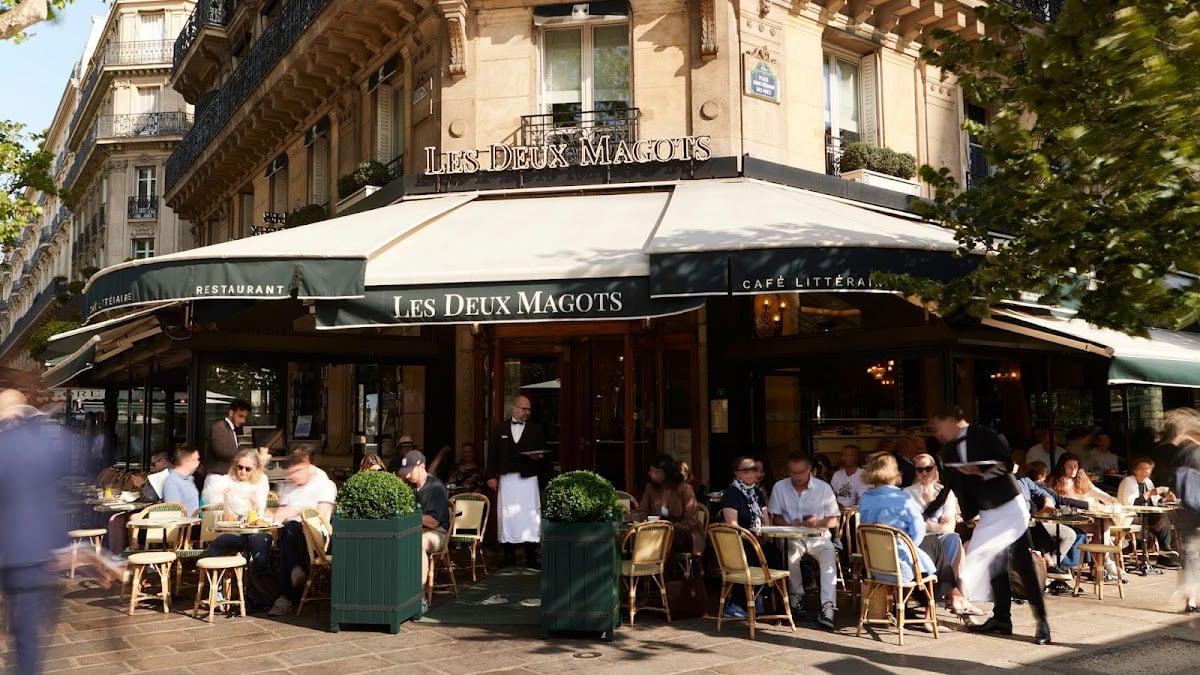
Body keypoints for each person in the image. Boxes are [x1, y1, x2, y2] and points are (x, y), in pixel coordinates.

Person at [0, 390, 112, 675]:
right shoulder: (42, 445)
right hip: (35, 552)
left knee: (21, 628)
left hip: (11, 549)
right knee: (28, 636)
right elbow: (54, 488)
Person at [926, 405, 1051, 645]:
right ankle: (1002, 619)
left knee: (1023, 565)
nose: (937, 433)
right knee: (994, 566)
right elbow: (949, 487)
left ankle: (1042, 623)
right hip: (987, 512)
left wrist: (980, 470)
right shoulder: (950, 448)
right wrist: (924, 514)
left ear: (952, 421)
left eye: (938, 427)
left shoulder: (986, 435)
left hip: (1009, 507)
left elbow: (1007, 464)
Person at [859, 453, 974, 625]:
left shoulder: (866, 498)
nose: (924, 473)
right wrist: (911, 543)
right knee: (934, 543)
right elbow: (918, 532)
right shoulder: (902, 498)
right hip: (901, 565)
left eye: (928, 468)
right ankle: (949, 600)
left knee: (945, 541)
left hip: (875, 565)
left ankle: (953, 596)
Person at [767, 452, 840, 629]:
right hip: (793, 536)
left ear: (809, 470)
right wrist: (788, 524)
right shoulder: (780, 487)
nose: (796, 477)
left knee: (828, 558)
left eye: (800, 472)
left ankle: (827, 606)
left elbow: (834, 520)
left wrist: (818, 522)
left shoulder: (823, 488)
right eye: (792, 472)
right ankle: (795, 597)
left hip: (819, 535)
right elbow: (775, 516)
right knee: (790, 555)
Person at [268, 451, 337, 616]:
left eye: (295, 472)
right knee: (287, 534)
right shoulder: (289, 484)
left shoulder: (323, 483)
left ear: (307, 466)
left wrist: (295, 513)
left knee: (290, 531)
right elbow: (279, 514)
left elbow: (320, 514)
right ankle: (296, 569)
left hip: (317, 536)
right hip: (291, 533)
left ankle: (286, 596)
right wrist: (289, 514)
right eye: (289, 473)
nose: (291, 477)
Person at [487, 395, 547, 569]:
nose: (527, 412)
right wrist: (491, 475)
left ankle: (531, 556)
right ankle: (509, 555)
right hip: (507, 478)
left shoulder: (536, 429)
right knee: (508, 515)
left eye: (529, 409)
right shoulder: (500, 428)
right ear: (514, 408)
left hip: (529, 478)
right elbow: (492, 453)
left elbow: (544, 455)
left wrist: (538, 457)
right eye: (524, 409)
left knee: (530, 516)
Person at [397, 449, 450, 611]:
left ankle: (420, 598)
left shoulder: (436, 487)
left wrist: (409, 514)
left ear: (421, 467)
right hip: (413, 531)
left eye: (409, 471)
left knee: (417, 543)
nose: (406, 476)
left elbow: (434, 522)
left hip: (437, 533)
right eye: (404, 472)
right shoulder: (408, 487)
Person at [205, 448, 272, 572]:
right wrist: (220, 504)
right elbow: (209, 496)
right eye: (239, 467)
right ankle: (217, 588)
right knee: (214, 550)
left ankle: (256, 586)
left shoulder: (261, 480)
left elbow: (260, 507)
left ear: (256, 468)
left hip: (255, 528)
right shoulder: (227, 480)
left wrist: (255, 504)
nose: (242, 471)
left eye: (248, 469)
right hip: (233, 529)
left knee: (261, 550)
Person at [719, 456, 770, 619]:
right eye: (746, 470)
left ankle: (759, 597)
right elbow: (732, 525)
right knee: (752, 556)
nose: (751, 473)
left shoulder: (757, 492)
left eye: (754, 469)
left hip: (756, 539)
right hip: (738, 542)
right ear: (736, 473)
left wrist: (765, 534)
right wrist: (752, 538)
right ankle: (736, 603)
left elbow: (765, 518)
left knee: (776, 554)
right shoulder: (731, 494)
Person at [634, 454, 705, 556]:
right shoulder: (650, 488)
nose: (651, 474)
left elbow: (691, 521)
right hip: (657, 530)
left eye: (656, 471)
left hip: (684, 533)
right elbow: (642, 511)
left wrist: (668, 527)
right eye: (651, 470)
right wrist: (632, 518)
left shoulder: (684, 489)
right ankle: (646, 565)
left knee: (664, 537)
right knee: (641, 536)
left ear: (666, 474)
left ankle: (665, 568)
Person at [1117, 457, 1180, 569]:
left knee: (1162, 515)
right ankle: (1165, 553)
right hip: (1129, 516)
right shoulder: (1128, 481)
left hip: (1146, 516)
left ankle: (1164, 554)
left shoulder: (1148, 482)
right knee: (1160, 517)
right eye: (1141, 469)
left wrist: (1166, 499)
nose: (1144, 471)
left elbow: (1153, 502)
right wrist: (1150, 493)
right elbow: (1132, 505)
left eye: (1147, 469)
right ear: (1135, 470)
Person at [904, 453, 963, 569]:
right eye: (920, 470)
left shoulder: (945, 493)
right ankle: (947, 583)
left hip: (940, 538)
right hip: (918, 541)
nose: (924, 473)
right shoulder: (907, 493)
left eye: (928, 469)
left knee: (954, 538)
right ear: (916, 472)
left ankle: (945, 581)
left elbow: (949, 529)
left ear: (935, 469)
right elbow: (909, 526)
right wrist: (937, 525)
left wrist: (923, 523)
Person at [1166, 407, 1200, 612]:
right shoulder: (1189, 452)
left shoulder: (1183, 453)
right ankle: (1191, 596)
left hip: (1188, 509)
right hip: (1190, 509)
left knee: (1189, 553)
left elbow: (1177, 481)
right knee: (1190, 553)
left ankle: (1191, 597)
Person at [207, 399, 250, 477]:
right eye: (240, 416)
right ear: (231, 413)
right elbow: (222, 451)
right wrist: (248, 455)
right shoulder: (218, 427)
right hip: (218, 475)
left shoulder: (231, 429)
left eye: (245, 417)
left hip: (226, 475)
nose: (243, 420)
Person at [160, 446, 201, 516]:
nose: (198, 463)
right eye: (195, 460)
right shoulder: (172, 482)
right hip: (185, 525)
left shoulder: (189, 479)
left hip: (193, 524)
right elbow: (174, 512)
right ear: (186, 461)